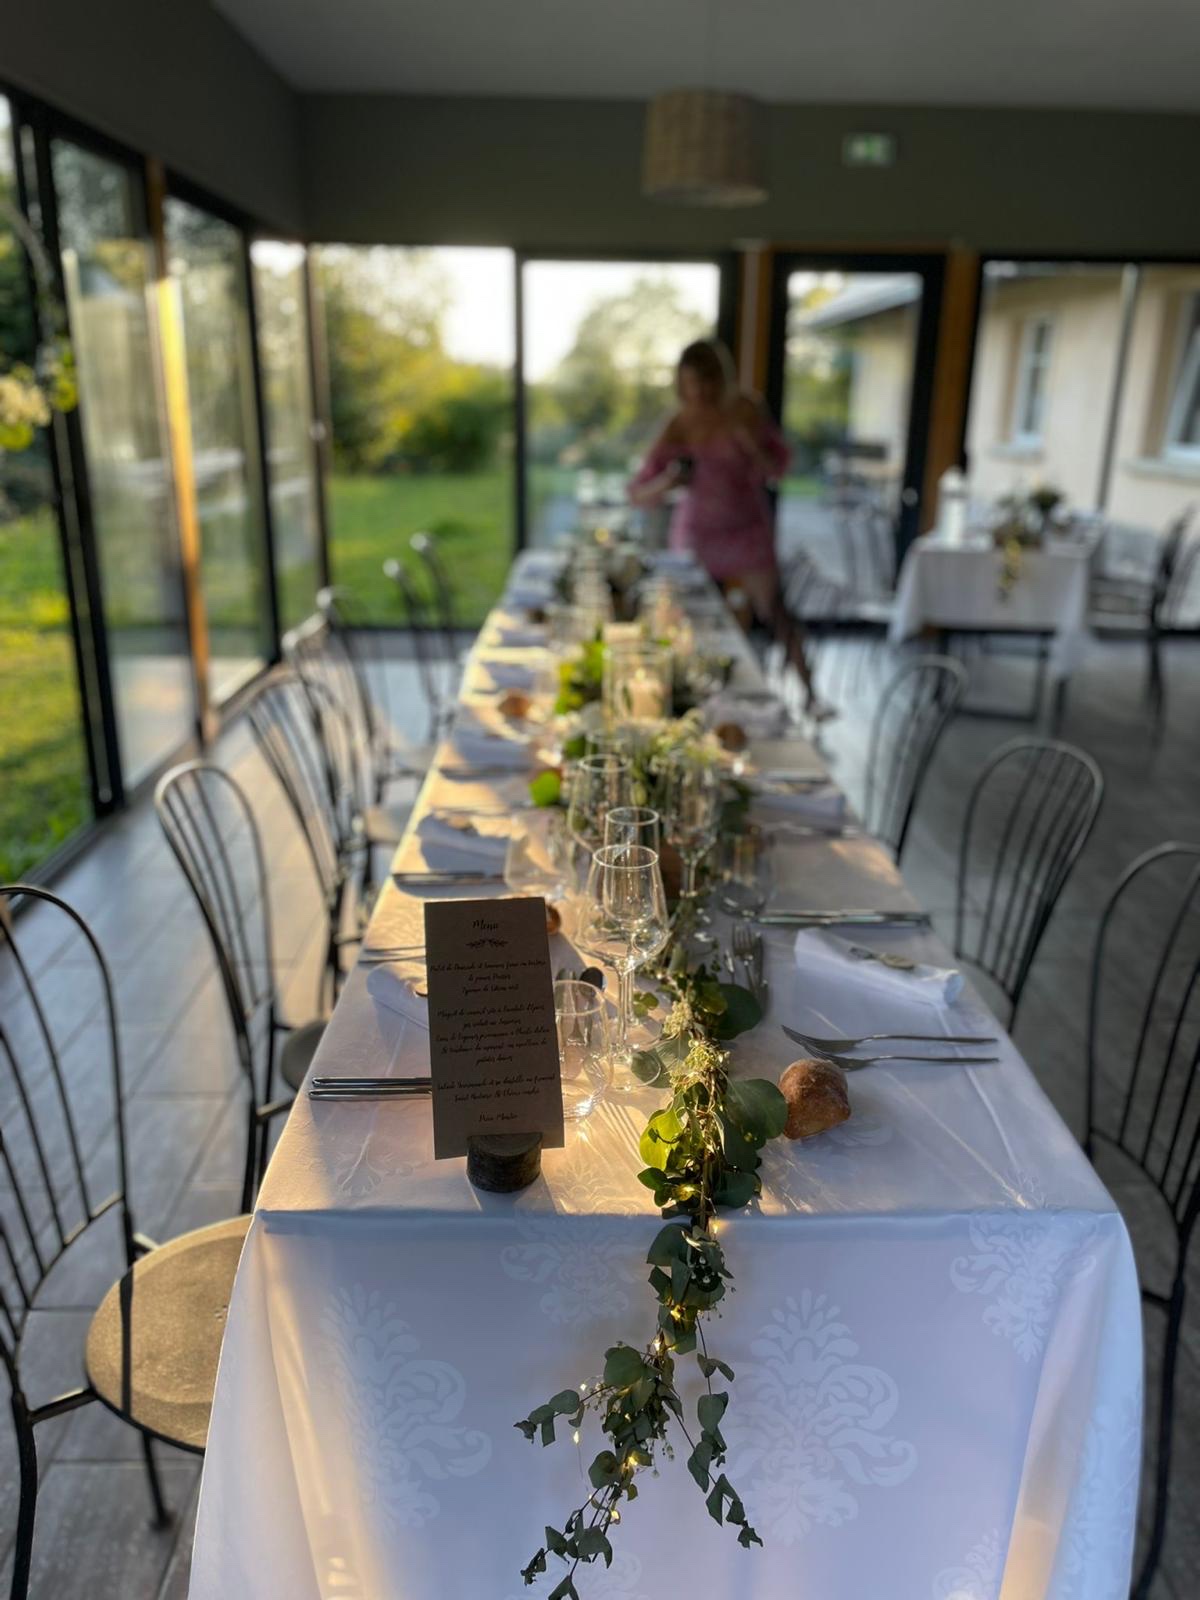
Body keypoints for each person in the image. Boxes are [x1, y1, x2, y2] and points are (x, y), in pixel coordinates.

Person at [628, 338, 832, 719]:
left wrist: (751, 446)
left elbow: (778, 469)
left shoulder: (746, 409)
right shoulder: (678, 423)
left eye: (707, 381)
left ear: (721, 378)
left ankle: (811, 694)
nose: (700, 392)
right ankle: (692, 702)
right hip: (697, 534)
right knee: (685, 619)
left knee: (776, 612)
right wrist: (669, 481)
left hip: (746, 528)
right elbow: (637, 493)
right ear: (681, 383)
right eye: (692, 383)